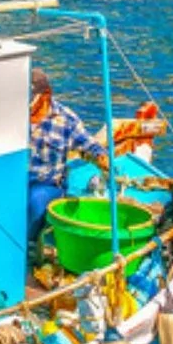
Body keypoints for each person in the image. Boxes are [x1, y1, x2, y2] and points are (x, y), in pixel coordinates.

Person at [27, 70, 108, 233]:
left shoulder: (66, 119)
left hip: (47, 184)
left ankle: (28, 244)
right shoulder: (14, 114)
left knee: (35, 202)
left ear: (46, 95)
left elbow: (88, 143)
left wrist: (101, 156)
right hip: (16, 181)